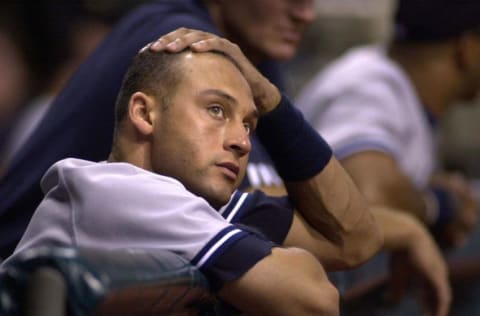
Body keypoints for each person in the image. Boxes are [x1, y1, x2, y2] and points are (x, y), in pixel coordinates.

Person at [0, 1, 450, 314]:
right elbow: (314, 299)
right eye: (216, 111)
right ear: (144, 113)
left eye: (249, 124)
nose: (240, 139)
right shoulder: (124, 188)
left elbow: (354, 240)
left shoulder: (190, 191)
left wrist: (272, 102)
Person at [296, 0, 480, 314]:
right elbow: (366, 195)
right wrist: (439, 204)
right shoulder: (369, 85)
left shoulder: (396, 84)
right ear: (467, 49)